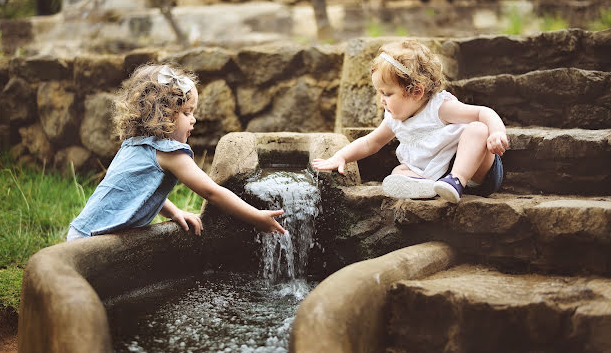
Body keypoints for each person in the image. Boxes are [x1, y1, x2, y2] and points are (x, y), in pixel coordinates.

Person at [67, 64, 286, 241]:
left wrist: (174, 212)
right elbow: (212, 192)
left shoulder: (136, 144)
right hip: (92, 241)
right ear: (163, 115)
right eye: (187, 112)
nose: (193, 119)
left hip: (82, 232)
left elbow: (138, 190)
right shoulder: (170, 153)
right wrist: (255, 217)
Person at [313, 40, 508, 203]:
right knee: (399, 171)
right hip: (435, 172)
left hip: (477, 173)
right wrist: (341, 157)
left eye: (387, 93)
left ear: (416, 92)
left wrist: (497, 133)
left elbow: (484, 112)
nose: (381, 100)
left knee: (477, 129)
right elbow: (370, 142)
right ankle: (432, 187)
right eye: (379, 93)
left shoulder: (440, 108)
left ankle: (456, 180)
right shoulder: (394, 118)